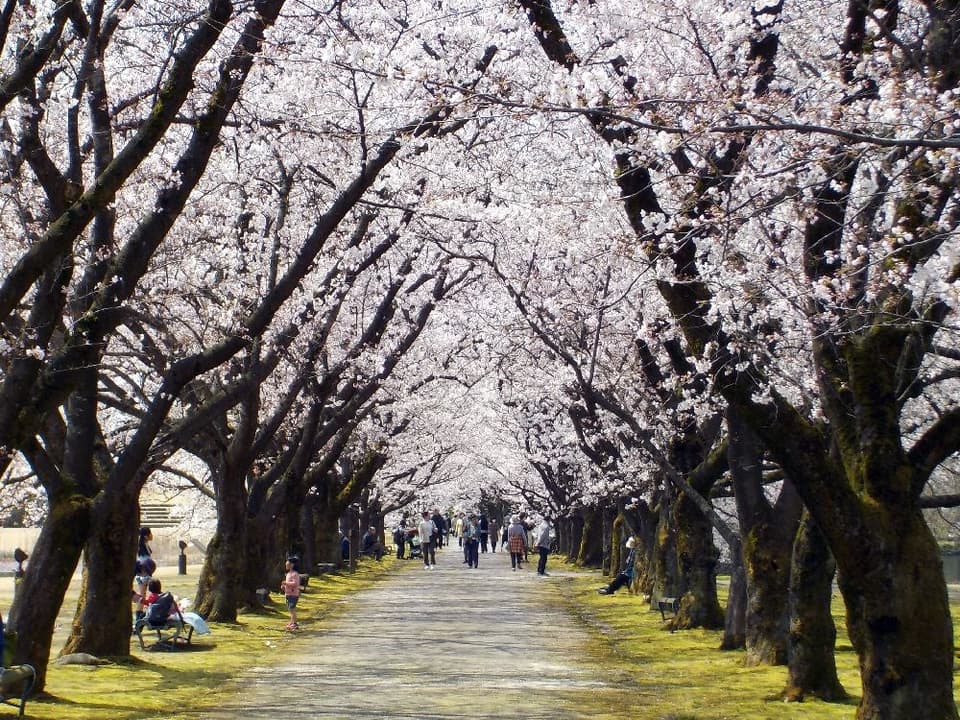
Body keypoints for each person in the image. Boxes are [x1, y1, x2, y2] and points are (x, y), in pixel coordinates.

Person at [280, 557, 301, 630]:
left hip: (293, 594)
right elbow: (288, 583)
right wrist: (284, 586)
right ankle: (292, 622)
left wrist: (286, 583)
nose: (286, 564)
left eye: (287, 563)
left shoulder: (295, 574)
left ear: (292, 565)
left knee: (292, 609)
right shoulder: (288, 574)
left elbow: (295, 583)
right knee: (290, 609)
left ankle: (295, 623)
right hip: (288, 594)